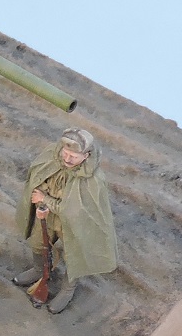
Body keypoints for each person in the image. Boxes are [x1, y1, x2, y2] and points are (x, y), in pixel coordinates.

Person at [14, 127, 118, 314]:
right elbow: (36, 179)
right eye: (66, 153)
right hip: (46, 215)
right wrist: (41, 198)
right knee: (38, 243)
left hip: (72, 225)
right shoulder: (51, 157)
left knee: (74, 256)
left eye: (74, 157)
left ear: (86, 156)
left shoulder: (93, 181)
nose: (68, 159)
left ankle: (67, 289)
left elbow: (76, 212)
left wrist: (46, 199)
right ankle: (39, 270)